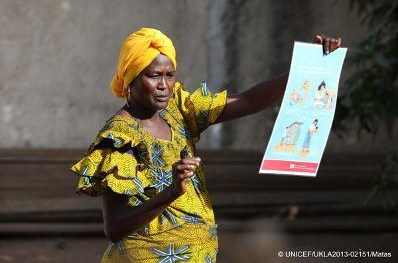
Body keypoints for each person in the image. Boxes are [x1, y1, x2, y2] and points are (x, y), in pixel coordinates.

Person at [70, 28, 341, 262]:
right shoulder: (118, 139)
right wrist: (171, 192)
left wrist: (307, 67)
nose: (164, 85)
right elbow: (114, 227)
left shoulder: (177, 109)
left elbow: (247, 101)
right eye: (153, 76)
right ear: (130, 80)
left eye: (170, 74)